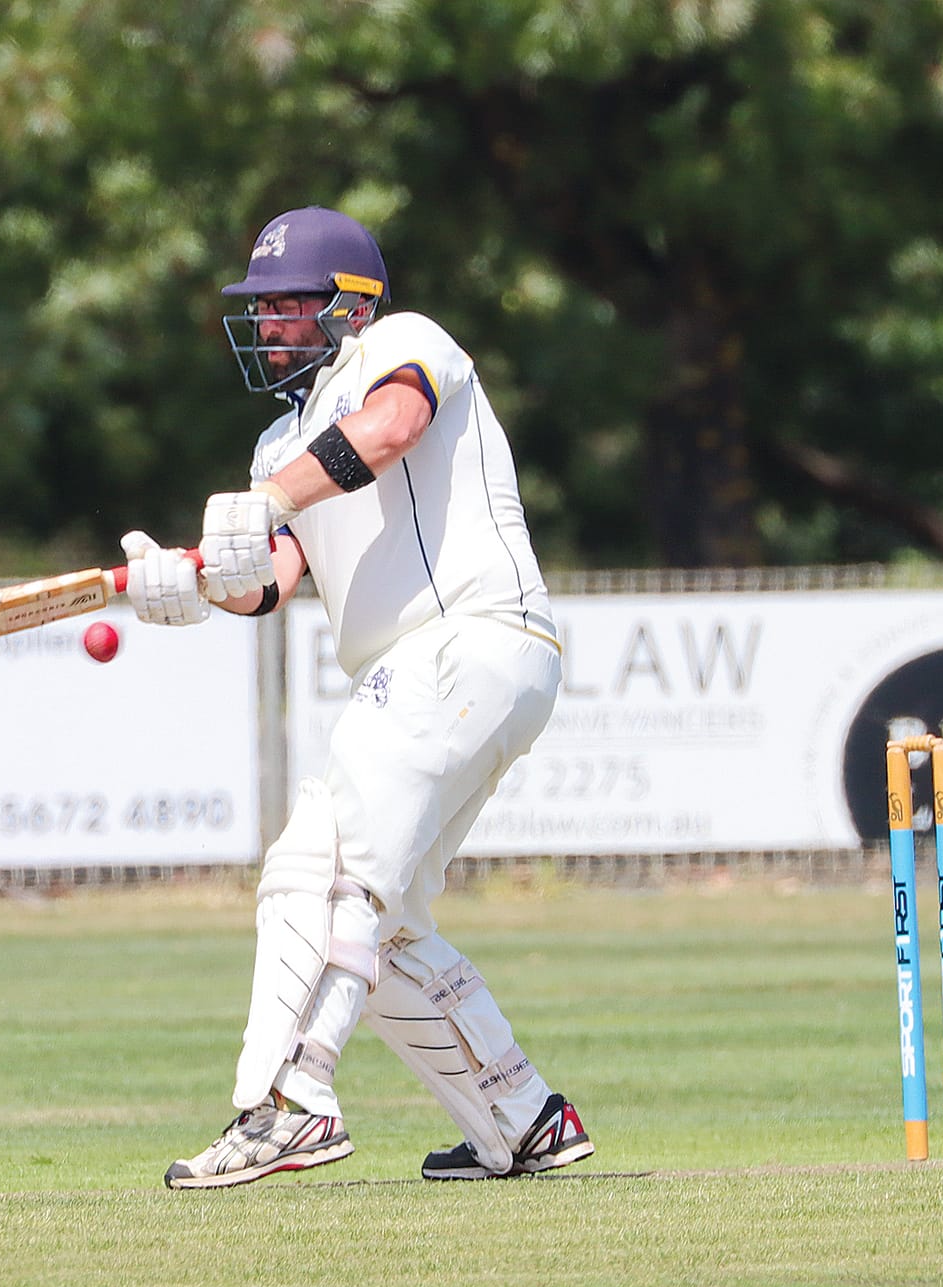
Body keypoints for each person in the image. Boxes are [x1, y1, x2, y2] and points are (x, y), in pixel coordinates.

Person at [119, 206, 593, 1188]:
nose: (268, 325)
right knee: (379, 925)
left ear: (347, 306)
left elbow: (388, 429)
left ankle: (288, 1103)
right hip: (442, 674)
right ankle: (521, 1115)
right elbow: (269, 580)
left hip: (467, 636)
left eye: (288, 305)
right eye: (259, 309)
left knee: (313, 870)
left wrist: (270, 503)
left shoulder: (403, 345)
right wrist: (186, 584)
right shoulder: (275, 448)